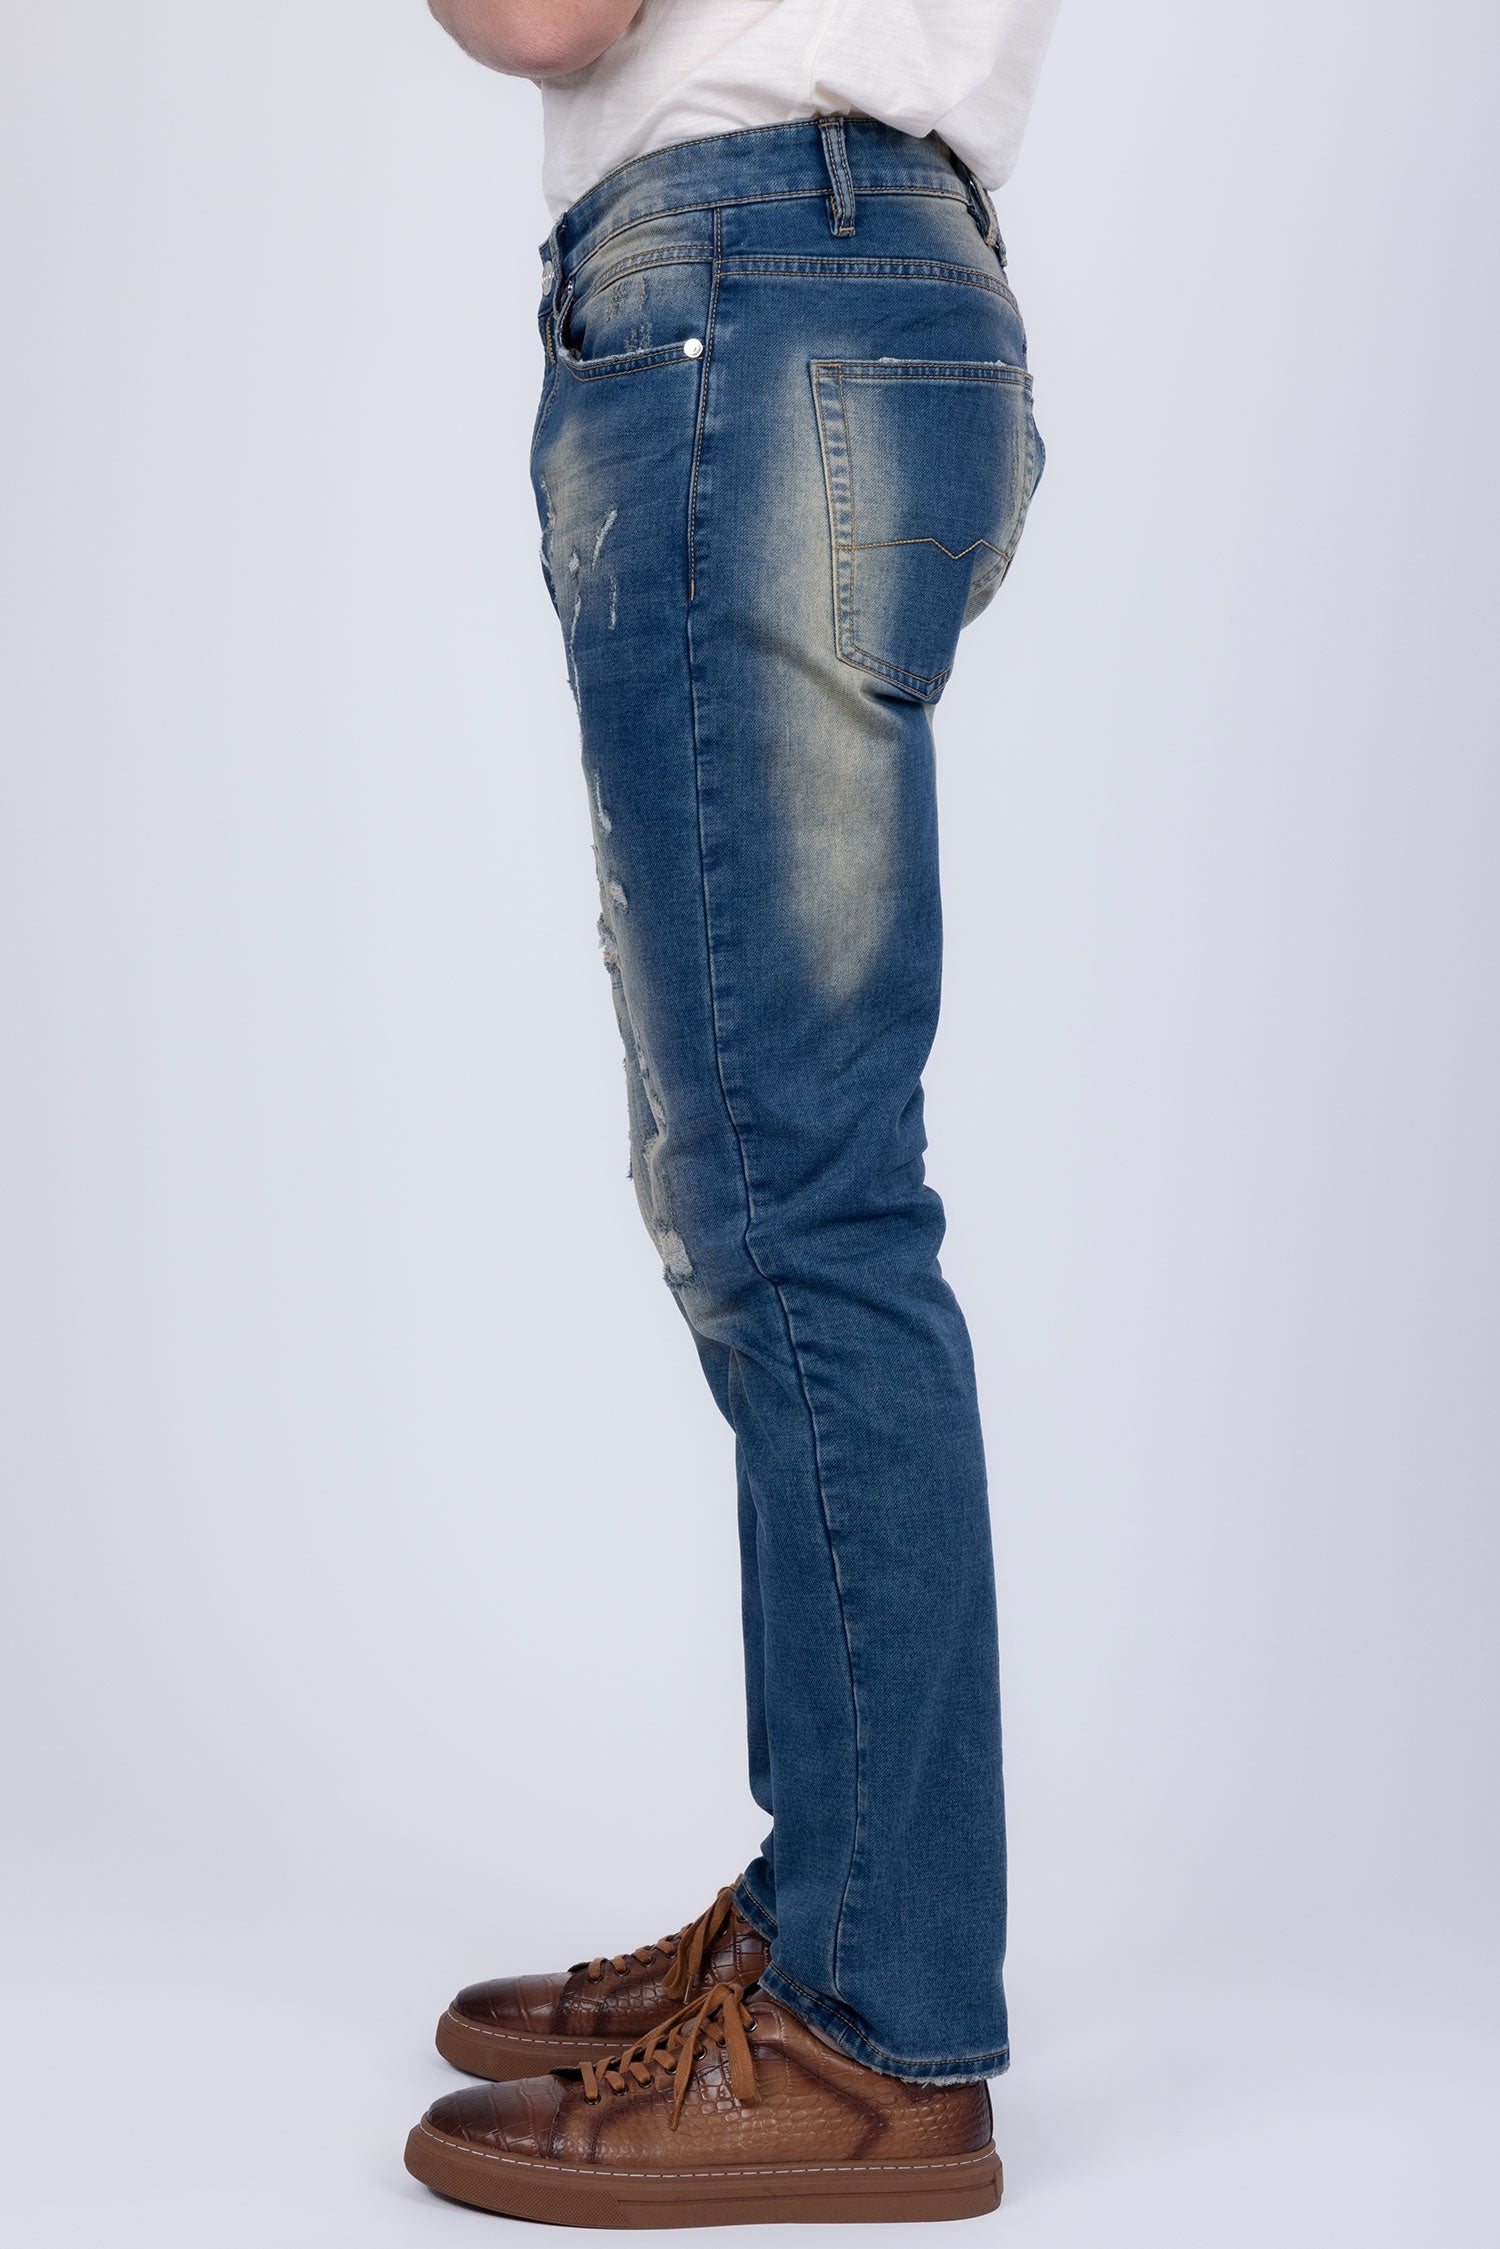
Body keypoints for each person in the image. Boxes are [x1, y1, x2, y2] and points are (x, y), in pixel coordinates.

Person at [404, 0, 1060, 2224]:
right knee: (789, 1191)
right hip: (882, 287)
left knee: (799, 1203)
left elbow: (550, 13)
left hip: (750, 295)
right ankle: (831, 1915)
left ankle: (873, 2030)